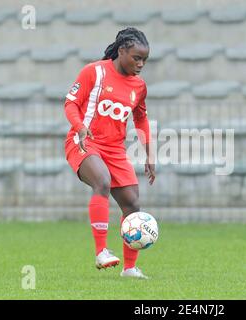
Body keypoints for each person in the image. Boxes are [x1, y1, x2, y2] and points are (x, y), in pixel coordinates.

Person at [64, 27, 155, 279]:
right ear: (122, 50)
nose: (140, 64)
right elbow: (70, 103)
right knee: (102, 181)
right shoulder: (95, 71)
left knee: (133, 204)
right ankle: (101, 251)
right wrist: (80, 127)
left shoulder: (139, 86)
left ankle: (129, 269)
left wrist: (149, 154)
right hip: (84, 141)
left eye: (144, 60)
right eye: (136, 58)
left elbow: (141, 120)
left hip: (115, 149)